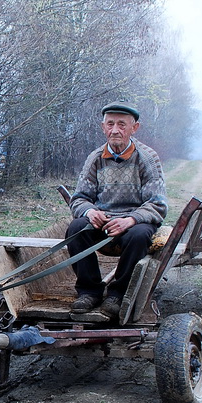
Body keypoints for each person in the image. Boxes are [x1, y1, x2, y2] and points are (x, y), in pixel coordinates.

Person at [66, 102, 167, 318]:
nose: (115, 130)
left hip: (134, 222)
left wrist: (131, 219)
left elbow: (157, 204)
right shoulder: (95, 158)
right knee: (75, 228)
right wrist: (91, 212)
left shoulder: (147, 158)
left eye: (122, 124)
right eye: (110, 124)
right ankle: (89, 291)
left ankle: (117, 294)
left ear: (134, 128)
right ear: (103, 127)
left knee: (139, 236)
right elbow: (80, 199)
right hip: (103, 222)